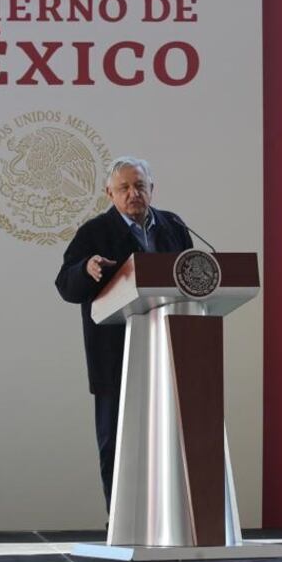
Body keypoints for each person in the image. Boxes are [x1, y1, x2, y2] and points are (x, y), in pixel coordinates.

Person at [55, 157, 193, 509]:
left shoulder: (173, 226)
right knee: (117, 445)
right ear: (109, 193)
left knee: (168, 444)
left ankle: (170, 517)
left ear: (152, 189)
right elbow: (66, 286)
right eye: (125, 188)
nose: (134, 194)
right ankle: (121, 520)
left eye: (140, 186)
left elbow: (192, 277)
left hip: (170, 352)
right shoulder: (94, 232)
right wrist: (86, 270)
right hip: (116, 358)